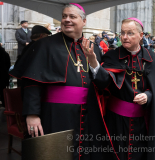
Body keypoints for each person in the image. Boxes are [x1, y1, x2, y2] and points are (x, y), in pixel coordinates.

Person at [10, 4, 106, 160]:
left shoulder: (93, 48)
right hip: (54, 114)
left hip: (87, 114)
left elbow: (101, 83)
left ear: (84, 21)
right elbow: (32, 82)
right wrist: (32, 114)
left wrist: (94, 62)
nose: (67, 20)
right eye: (64, 16)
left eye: (72, 16)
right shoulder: (45, 45)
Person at [83, 17, 155, 160]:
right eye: (122, 33)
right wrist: (93, 60)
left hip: (143, 122)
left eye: (130, 33)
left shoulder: (152, 57)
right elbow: (103, 83)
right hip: (116, 122)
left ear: (141, 35)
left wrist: (148, 96)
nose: (125, 37)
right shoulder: (112, 56)